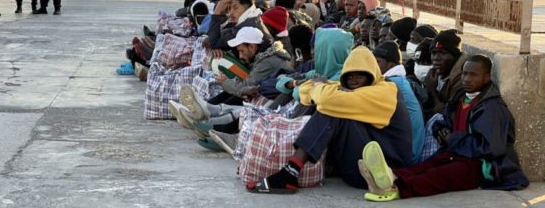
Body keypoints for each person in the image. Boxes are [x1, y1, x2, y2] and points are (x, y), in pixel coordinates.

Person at [359, 55, 529, 202]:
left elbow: (491, 147)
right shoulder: (461, 97)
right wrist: (443, 130)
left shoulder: (491, 107)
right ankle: (390, 176)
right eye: (464, 74)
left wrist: (452, 138)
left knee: (439, 176)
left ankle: (394, 190)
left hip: (483, 165)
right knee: (426, 166)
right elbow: (447, 119)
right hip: (458, 152)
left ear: (486, 78)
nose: (467, 79)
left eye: (473, 75)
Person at [248, 47, 412, 194]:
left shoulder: (385, 91)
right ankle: (291, 171)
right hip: (362, 166)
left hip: (386, 171)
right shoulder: (354, 91)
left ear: (372, 76)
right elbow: (305, 90)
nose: (354, 80)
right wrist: (324, 88)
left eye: (360, 75)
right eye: (349, 76)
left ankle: (289, 172)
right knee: (331, 106)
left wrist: (322, 88)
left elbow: (324, 98)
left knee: (332, 111)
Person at [181, 27, 292, 120]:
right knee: (233, 89)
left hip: (272, 101)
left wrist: (225, 82)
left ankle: (210, 116)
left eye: (242, 51)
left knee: (240, 92)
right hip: (267, 94)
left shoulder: (268, 61)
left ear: (252, 46)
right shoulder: (262, 55)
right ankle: (204, 110)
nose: (241, 56)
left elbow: (247, 86)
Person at [373, 42, 425, 164]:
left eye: (378, 62)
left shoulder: (393, 84)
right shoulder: (397, 80)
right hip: (406, 150)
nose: (373, 65)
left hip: (407, 155)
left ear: (391, 65)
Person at [424, 30, 468, 120]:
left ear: (455, 56)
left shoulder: (462, 79)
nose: (436, 58)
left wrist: (432, 90)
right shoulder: (437, 73)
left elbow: (450, 116)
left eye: (442, 53)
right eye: (434, 53)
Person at [207, 0, 271, 52]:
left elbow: (213, 43)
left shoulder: (248, 27)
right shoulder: (252, 20)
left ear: (248, 6)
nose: (230, 13)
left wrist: (216, 12)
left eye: (235, 7)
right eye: (229, 9)